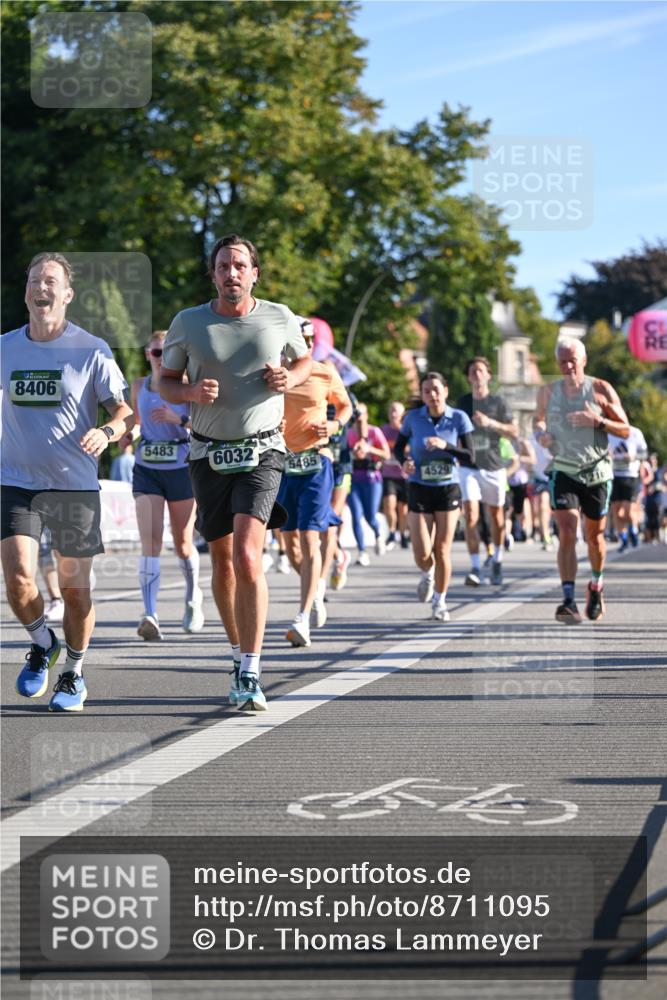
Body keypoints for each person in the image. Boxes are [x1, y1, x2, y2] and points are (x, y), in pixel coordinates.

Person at [158, 234, 311, 711]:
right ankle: (234, 651)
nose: (231, 274)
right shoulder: (188, 323)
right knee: (222, 561)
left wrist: (291, 377)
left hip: (263, 450)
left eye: (240, 266)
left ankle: (250, 669)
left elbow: (306, 360)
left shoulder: (279, 316)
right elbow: (163, 384)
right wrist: (189, 395)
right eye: (223, 266)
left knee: (248, 556)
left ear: (254, 274)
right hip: (207, 453)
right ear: (214, 274)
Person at [1, 252, 133, 711]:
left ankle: (73, 673)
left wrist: (108, 431)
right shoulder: (5, 348)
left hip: (73, 486)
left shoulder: (91, 349)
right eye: (34, 279)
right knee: (18, 579)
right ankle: (42, 643)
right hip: (15, 481)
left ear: (67, 295)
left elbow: (123, 411)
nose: (41, 287)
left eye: (50, 281)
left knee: (76, 592)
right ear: (27, 293)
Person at [533, 337, 630, 623]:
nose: (568, 366)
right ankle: (567, 600)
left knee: (594, 537)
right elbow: (537, 420)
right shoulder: (548, 392)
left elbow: (625, 429)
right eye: (562, 361)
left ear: (584, 361)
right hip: (563, 469)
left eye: (572, 360)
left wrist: (597, 421)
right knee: (567, 530)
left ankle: (596, 585)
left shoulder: (601, 389)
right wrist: (542, 434)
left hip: (597, 471)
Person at [278, 320, 352, 647]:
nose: (305, 345)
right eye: (298, 339)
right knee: (289, 544)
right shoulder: (272, 375)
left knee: (310, 537)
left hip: (316, 461)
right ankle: (316, 589)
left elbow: (347, 405)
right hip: (281, 464)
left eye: (309, 340)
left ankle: (302, 616)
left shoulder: (324, 372)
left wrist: (334, 425)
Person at [127, 329, 204, 640]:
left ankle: (193, 597)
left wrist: (178, 420)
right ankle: (150, 614)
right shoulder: (139, 386)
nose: (160, 359)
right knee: (151, 542)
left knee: (184, 543)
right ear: (148, 355)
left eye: (166, 353)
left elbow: (205, 426)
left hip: (182, 470)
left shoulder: (186, 387)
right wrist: (125, 437)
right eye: (156, 353)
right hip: (147, 469)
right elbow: (136, 423)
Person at [394, 372, 474, 621]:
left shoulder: (458, 418)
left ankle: (440, 601)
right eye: (427, 391)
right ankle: (427, 573)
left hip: (448, 487)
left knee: (442, 550)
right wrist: (404, 461)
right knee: (422, 554)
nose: (432, 395)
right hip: (419, 486)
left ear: (446, 391)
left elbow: (470, 456)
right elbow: (398, 447)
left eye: (436, 390)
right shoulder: (413, 418)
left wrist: (445, 446)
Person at [457, 357, 518, 586]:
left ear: (488, 375)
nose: (476, 374)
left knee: (496, 517)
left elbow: (514, 431)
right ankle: (475, 567)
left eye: (480, 370)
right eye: (472, 371)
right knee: (471, 515)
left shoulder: (498, 403)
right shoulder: (462, 403)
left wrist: (491, 423)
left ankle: (498, 560)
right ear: (468, 377)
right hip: (468, 466)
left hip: (493, 466)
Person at [346, 403, 390, 565]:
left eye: (361, 414)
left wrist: (369, 450)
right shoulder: (349, 433)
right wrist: (354, 454)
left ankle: (379, 534)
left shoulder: (374, 432)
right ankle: (362, 551)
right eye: (355, 414)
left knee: (370, 515)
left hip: (371, 479)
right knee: (356, 515)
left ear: (366, 416)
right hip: (353, 478)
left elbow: (386, 454)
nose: (358, 418)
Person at [608, 424, 649, 552]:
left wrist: (634, 457)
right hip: (614, 475)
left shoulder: (635, 432)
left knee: (628, 511)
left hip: (631, 475)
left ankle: (633, 530)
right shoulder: (608, 432)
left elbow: (644, 453)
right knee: (616, 511)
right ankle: (624, 539)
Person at [381, 401, 410, 550]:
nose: (393, 414)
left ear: (402, 415)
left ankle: (403, 533)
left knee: (403, 509)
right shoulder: (383, 430)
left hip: (404, 475)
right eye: (391, 411)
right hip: (388, 474)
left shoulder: (407, 431)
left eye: (396, 412)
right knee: (389, 504)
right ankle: (392, 532)